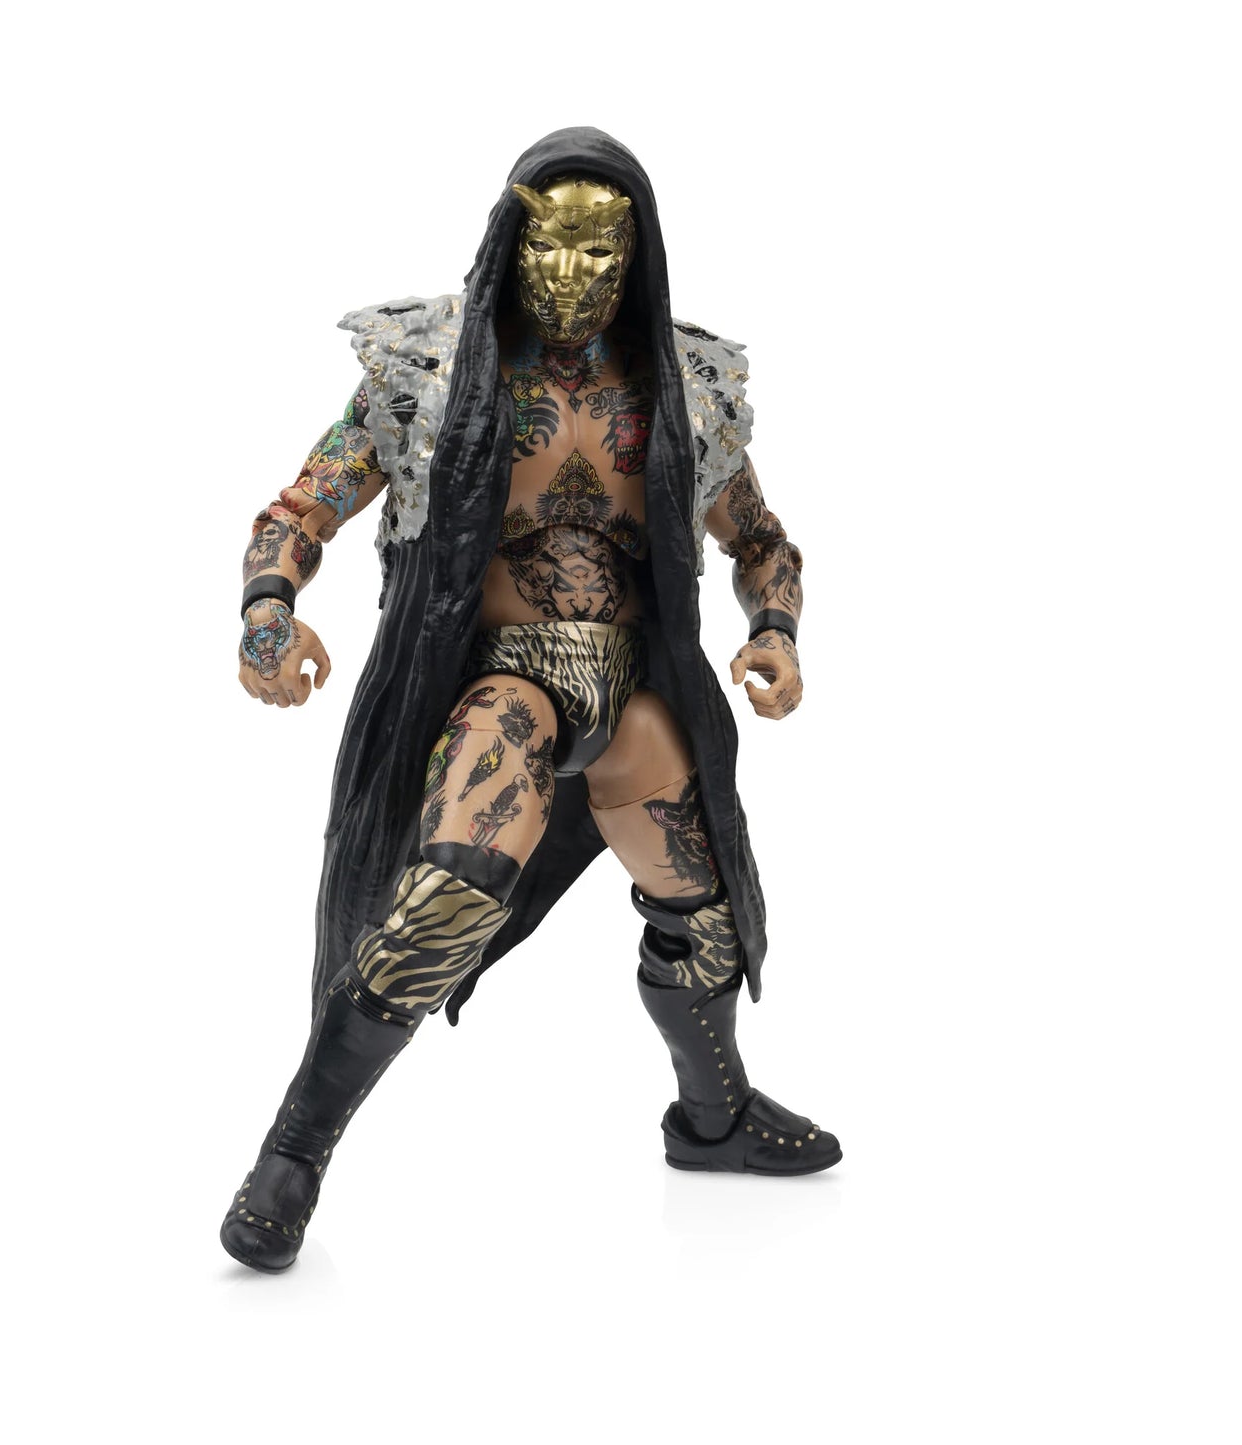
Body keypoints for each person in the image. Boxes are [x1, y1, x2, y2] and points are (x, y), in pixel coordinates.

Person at [221, 128, 841, 1273]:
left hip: (633, 684)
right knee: (443, 896)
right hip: (500, 681)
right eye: (546, 245)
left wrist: (775, 631)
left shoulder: (683, 387)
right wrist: (268, 611)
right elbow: (300, 506)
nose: (568, 274)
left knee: (702, 900)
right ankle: (291, 1154)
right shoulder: (429, 369)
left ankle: (712, 1117)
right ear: (509, 241)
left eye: (596, 251)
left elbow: (759, 538)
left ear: (633, 255)